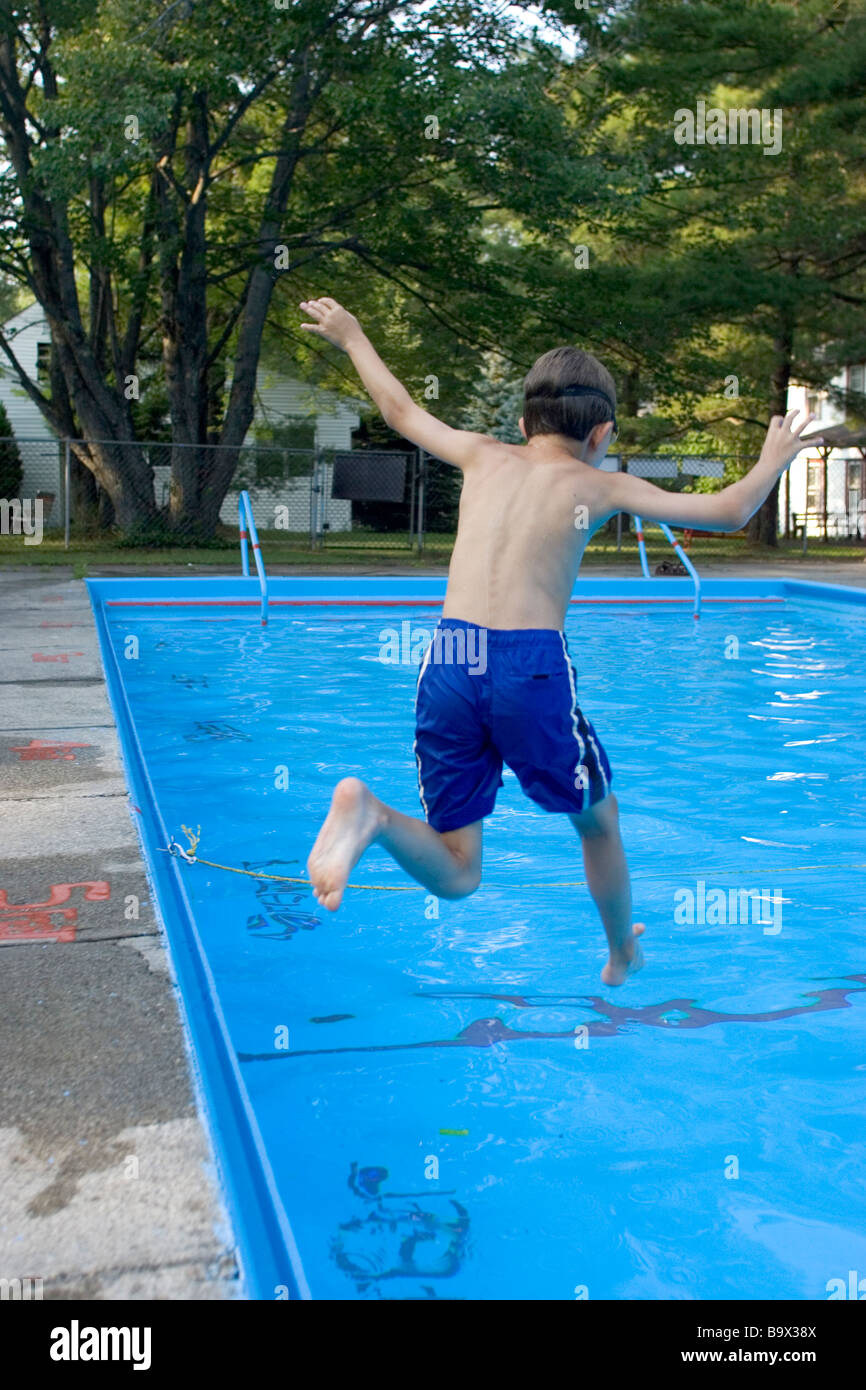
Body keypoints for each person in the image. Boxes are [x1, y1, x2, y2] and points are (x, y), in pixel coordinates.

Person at [300, 297, 820, 984]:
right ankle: (620, 950)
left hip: (449, 658)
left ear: (521, 423)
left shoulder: (481, 455)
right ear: (600, 432)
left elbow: (399, 411)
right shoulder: (597, 484)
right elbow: (729, 510)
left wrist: (354, 334)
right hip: (527, 664)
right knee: (598, 822)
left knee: (459, 874)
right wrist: (773, 459)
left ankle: (370, 816)